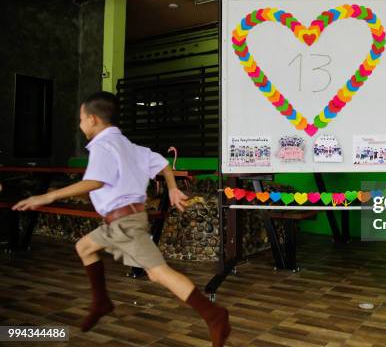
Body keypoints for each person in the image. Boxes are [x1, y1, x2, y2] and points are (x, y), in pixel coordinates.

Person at [12, 92, 231, 346]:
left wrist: (48, 197)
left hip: (125, 224)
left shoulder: (103, 146)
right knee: (84, 247)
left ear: (93, 119)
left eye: (81, 119)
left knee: (159, 273)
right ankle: (101, 302)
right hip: (119, 222)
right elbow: (163, 164)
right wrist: (171, 187)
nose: (80, 124)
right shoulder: (128, 145)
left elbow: (94, 181)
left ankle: (214, 315)